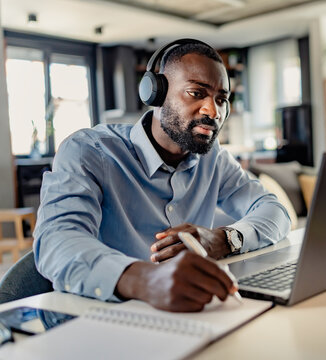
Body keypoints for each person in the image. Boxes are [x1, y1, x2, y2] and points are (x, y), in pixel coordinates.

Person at [33, 39, 291, 312]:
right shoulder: (89, 152)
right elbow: (56, 241)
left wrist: (223, 240)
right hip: (101, 317)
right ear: (155, 94)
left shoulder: (213, 159)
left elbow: (275, 210)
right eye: (196, 93)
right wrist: (145, 279)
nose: (213, 111)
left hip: (191, 313)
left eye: (221, 99)